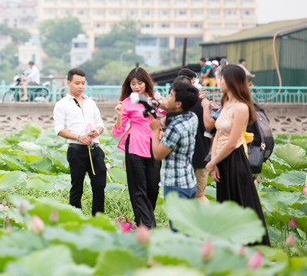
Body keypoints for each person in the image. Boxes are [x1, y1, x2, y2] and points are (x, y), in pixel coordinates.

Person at [205, 64, 270, 246]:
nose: (219, 81)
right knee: (225, 205)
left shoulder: (241, 107)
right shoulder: (226, 103)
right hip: (221, 160)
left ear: (232, 81)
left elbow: (233, 142)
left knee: (241, 204)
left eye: (222, 78)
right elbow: (217, 133)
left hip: (235, 159)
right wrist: (213, 161)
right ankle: (229, 246)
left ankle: (252, 248)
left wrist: (212, 162)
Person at [112, 67, 162, 228]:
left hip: (155, 147)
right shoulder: (127, 103)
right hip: (135, 147)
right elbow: (117, 131)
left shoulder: (156, 100)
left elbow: (165, 118)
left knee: (153, 188)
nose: (136, 86)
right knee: (138, 189)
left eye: (140, 83)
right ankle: (148, 225)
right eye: (133, 84)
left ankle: (143, 222)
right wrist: (119, 115)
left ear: (146, 83)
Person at [54, 68, 106, 216]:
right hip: (76, 150)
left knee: (99, 186)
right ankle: (76, 218)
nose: (81, 86)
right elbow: (59, 129)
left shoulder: (91, 102)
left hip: (95, 148)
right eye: (77, 83)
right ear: (68, 83)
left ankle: (98, 218)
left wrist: (97, 131)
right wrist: (78, 137)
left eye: (83, 83)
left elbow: (100, 123)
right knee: (77, 187)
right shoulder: (62, 104)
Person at [150, 81, 200, 202]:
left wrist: (155, 130)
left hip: (175, 185)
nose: (167, 97)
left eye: (170, 95)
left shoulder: (175, 128)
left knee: (177, 221)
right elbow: (170, 106)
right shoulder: (192, 117)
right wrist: (157, 104)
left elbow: (157, 154)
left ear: (178, 104)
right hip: (189, 181)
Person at [177, 69, 212, 202]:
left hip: (181, 160)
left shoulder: (174, 106)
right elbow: (211, 128)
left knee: (184, 196)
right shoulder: (202, 104)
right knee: (199, 195)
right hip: (201, 155)